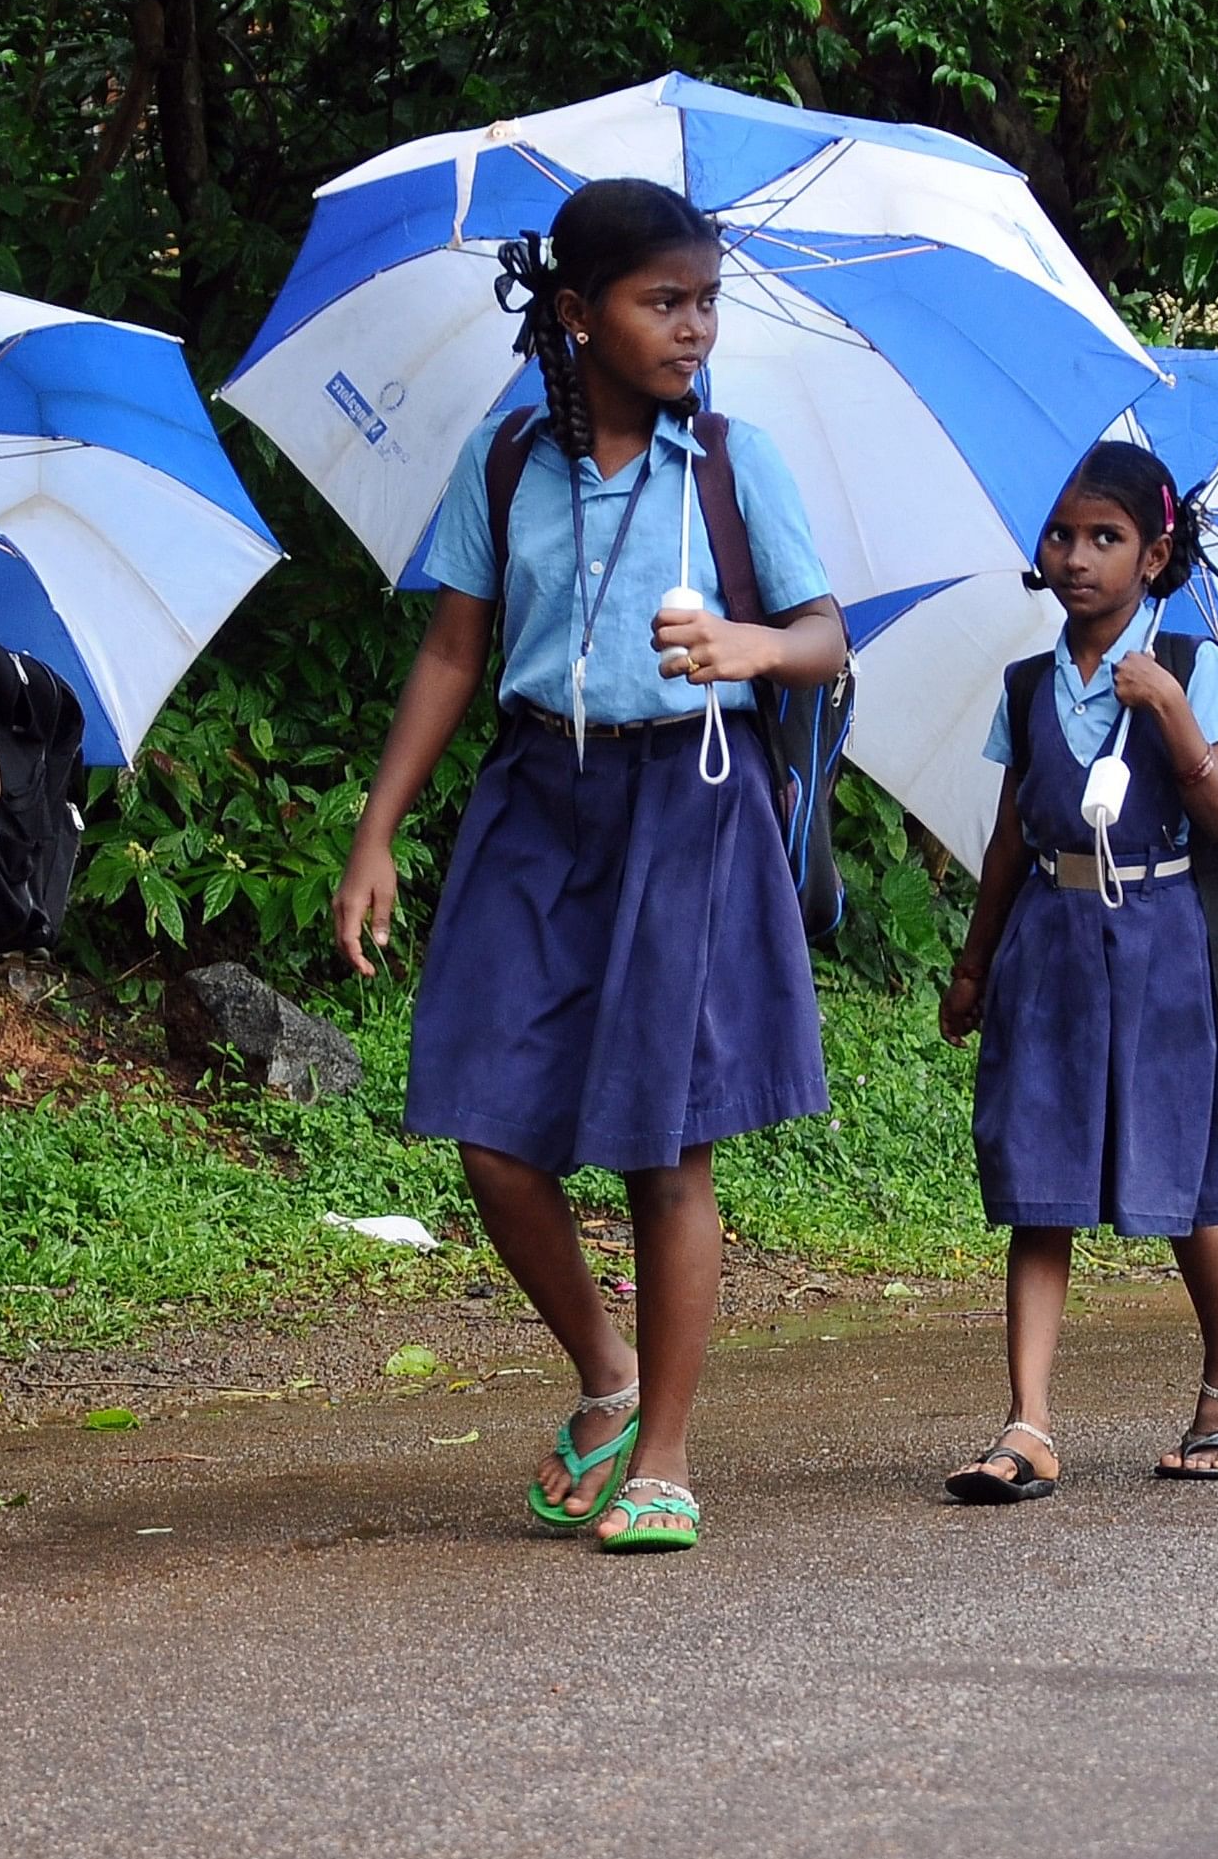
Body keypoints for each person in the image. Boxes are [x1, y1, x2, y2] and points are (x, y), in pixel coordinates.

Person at [331, 177, 845, 1555]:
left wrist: (748, 649)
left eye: (704, 303)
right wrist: (376, 830)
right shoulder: (506, 461)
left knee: (665, 1147)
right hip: (533, 800)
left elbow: (822, 635)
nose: (692, 329)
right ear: (575, 313)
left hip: (689, 801)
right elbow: (452, 648)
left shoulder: (730, 465)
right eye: (660, 301)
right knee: (489, 1129)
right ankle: (606, 1376)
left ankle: (665, 1456)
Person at [939, 441, 1218, 1502]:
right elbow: (1007, 835)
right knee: (1038, 1181)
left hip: (1160, 936)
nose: (1078, 556)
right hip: (1048, 936)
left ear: (1154, 554)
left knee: (1180, 1177)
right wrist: (972, 961)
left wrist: (1167, 709)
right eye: (1062, 535)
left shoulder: (1188, 666)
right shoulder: (1026, 682)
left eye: (1106, 538)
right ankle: (1026, 1422)